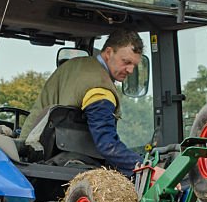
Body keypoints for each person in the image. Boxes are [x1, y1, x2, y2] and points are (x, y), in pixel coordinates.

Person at [20, 29, 144, 176]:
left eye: (134, 65)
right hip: (55, 170)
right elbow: (107, 144)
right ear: (109, 52)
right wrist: (144, 168)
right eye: (126, 62)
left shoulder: (73, 65)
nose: (130, 70)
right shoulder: (99, 88)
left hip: (28, 153)